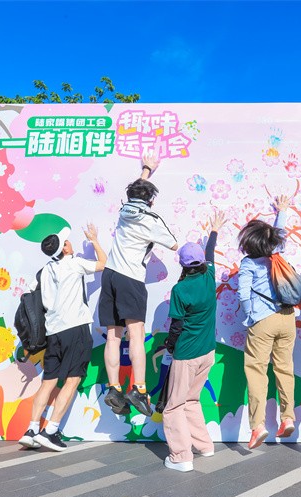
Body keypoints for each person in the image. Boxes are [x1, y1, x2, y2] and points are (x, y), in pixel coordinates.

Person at [98, 154, 178, 417]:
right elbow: (175, 245)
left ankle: (113, 388)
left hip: (110, 275)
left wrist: (146, 170)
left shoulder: (125, 210)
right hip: (130, 278)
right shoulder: (151, 219)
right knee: (136, 333)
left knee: (113, 335)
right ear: (151, 200)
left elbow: (136, 192)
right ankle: (139, 389)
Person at [19, 224, 107, 451]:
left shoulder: (45, 271)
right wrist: (94, 240)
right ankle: (51, 430)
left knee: (48, 382)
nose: (70, 243)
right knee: (73, 379)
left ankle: (32, 429)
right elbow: (103, 263)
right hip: (75, 328)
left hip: (53, 331)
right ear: (65, 249)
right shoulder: (75, 263)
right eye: (67, 242)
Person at [161, 212, 226, 472]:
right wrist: (214, 231)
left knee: (173, 406)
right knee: (191, 400)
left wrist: (170, 346)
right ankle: (205, 446)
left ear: (182, 265)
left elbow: (176, 326)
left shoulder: (180, 290)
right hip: (207, 352)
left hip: (186, 354)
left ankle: (181, 457)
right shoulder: (210, 277)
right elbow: (210, 254)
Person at [237, 195, 296, 449]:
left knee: (257, 372)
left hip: (262, 320)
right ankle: (288, 418)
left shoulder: (248, 263)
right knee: (285, 369)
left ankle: (258, 426)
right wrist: (282, 211)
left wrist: (250, 315)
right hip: (288, 317)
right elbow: (280, 233)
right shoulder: (277, 254)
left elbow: (243, 294)